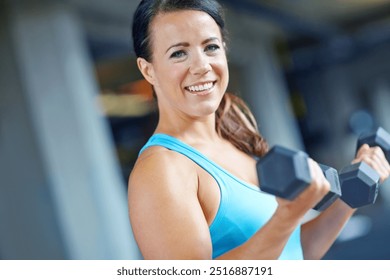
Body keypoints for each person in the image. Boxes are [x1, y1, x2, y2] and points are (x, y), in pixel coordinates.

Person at [127, 0, 390, 260]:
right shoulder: (161, 169)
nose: (202, 66)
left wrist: (349, 199)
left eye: (210, 47)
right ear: (148, 70)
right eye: (178, 53)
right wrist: (285, 217)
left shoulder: (230, 139)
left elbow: (295, 253)